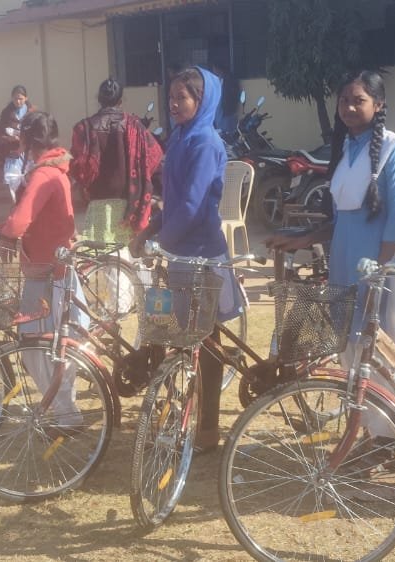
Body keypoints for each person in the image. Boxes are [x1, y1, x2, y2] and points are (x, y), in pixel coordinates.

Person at [268, 69, 395, 452]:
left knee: (376, 349)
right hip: (344, 263)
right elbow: (339, 221)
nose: (350, 107)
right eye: (344, 101)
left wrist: (380, 267)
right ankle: (368, 430)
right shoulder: (344, 149)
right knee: (349, 348)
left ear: (379, 104)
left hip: (376, 266)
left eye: (359, 100)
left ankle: (387, 438)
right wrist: (301, 239)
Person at [132, 66, 245, 452]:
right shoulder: (180, 138)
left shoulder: (206, 142)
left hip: (200, 253)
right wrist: (149, 231)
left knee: (206, 342)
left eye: (183, 97)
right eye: (172, 97)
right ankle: (182, 415)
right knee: (182, 336)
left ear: (202, 100)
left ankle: (208, 430)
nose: (174, 104)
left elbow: (194, 206)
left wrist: (161, 240)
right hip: (179, 252)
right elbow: (174, 202)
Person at [0, 111, 86, 427]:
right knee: (55, 341)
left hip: (46, 272)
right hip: (56, 267)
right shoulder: (56, 169)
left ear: (25, 140)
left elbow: (20, 220)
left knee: (35, 344)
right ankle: (64, 407)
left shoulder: (42, 175)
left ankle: (65, 411)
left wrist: (5, 234)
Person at [70, 78, 164, 245]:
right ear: (120, 101)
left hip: (97, 207)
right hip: (129, 209)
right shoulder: (135, 127)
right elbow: (155, 157)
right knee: (125, 256)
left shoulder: (84, 128)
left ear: (99, 100)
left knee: (99, 257)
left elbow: (77, 167)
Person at [0, 85, 34, 200]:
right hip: (13, 153)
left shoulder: (32, 113)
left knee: (31, 181)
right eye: (15, 98)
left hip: (29, 153)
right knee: (13, 181)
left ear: (26, 98)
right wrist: (10, 138)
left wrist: (25, 139)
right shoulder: (6, 113)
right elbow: (0, 134)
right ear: (12, 98)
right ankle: (16, 203)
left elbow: (38, 133)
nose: (18, 101)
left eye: (21, 99)